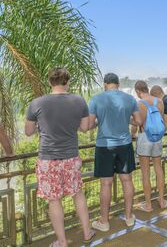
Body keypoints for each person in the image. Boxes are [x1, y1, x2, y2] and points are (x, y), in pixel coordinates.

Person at [25, 68, 95, 247]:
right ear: (67, 82)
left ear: (50, 82)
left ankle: (62, 241)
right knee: (77, 194)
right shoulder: (79, 101)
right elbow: (85, 127)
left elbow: (28, 131)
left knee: (54, 200)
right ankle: (87, 232)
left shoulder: (37, 103)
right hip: (71, 157)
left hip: (48, 159)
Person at [89, 73, 142, 232]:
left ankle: (104, 222)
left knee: (106, 183)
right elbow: (138, 121)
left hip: (104, 146)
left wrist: (100, 121)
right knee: (127, 180)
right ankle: (128, 217)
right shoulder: (130, 99)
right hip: (124, 145)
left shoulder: (96, 99)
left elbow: (90, 124)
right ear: (118, 84)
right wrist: (127, 119)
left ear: (105, 84)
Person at [132, 80, 167, 212]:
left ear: (137, 91)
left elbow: (137, 123)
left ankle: (148, 205)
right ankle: (161, 200)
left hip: (144, 137)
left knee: (145, 172)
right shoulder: (160, 101)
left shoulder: (139, 104)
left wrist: (132, 134)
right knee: (158, 169)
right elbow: (162, 120)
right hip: (157, 138)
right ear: (147, 88)